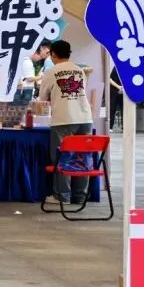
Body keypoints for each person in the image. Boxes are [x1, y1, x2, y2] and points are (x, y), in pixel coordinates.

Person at [38, 40, 94, 206]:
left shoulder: (51, 72)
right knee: (82, 157)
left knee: (62, 157)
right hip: (85, 118)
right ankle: (80, 196)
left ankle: (62, 196)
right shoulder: (79, 70)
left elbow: (42, 98)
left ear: (53, 54)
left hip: (63, 119)